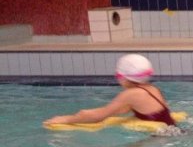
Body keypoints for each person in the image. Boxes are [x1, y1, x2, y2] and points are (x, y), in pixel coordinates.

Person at [45, 54, 180, 132]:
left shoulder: (131, 94)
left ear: (123, 77)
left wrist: (66, 119)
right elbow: (121, 110)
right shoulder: (152, 89)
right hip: (173, 131)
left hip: (161, 137)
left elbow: (99, 116)